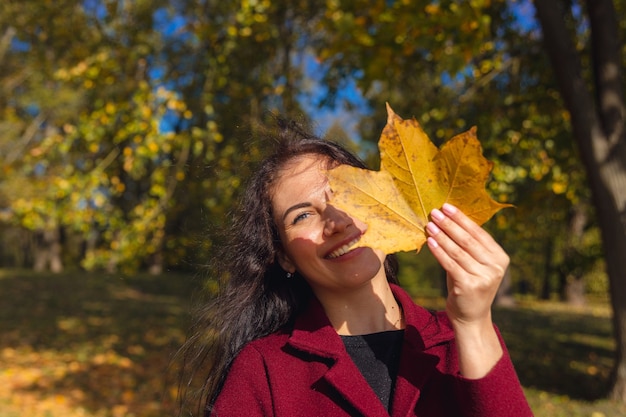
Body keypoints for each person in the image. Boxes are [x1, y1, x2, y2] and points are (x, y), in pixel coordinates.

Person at [178, 120, 533, 417]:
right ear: (283, 256)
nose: (336, 220)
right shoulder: (264, 369)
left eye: (348, 194)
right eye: (302, 215)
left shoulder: (460, 342)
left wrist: (474, 324)